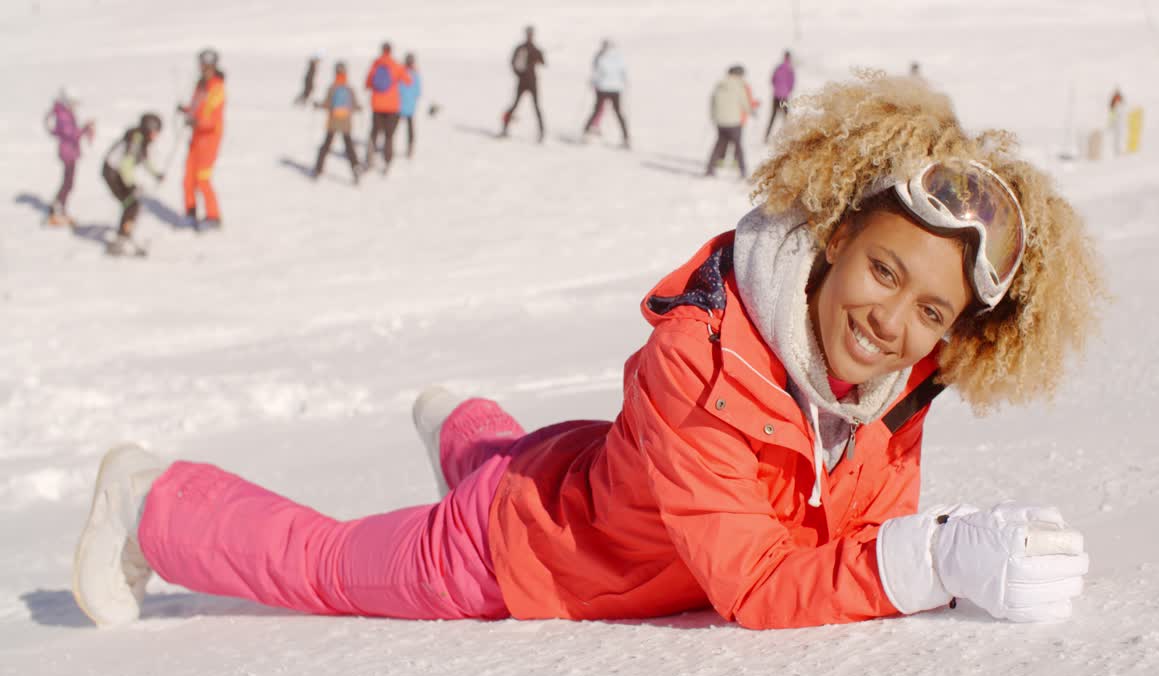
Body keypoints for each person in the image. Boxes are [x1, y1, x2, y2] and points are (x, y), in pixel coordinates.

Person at [72, 73, 1104, 631]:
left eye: (931, 311)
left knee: (521, 461)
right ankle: (149, 500)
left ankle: (464, 428)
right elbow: (756, 585)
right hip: (519, 554)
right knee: (329, 564)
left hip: (594, 475)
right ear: (834, 238)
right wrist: (933, 559)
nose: (892, 322)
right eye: (884, 270)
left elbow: (845, 535)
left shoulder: (897, 388)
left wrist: (949, 551)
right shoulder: (699, 366)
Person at [100, 113, 164, 256]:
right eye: (155, 132)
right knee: (131, 204)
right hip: (112, 173)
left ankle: (124, 235)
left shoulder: (140, 138)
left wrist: (155, 174)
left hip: (116, 172)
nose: (157, 136)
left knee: (131, 204)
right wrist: (131, 185)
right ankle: (122, 239)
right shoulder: (135, 140)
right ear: (149, 129)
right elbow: (126, 164)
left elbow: (144, 159)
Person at [178, 48, 225, 231]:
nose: (203, 69)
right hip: (197, 136)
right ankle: (190, 212)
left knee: (203, 178)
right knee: (188, 177)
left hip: (209, 138)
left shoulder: (217, 87)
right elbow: (196, 107)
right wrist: (186, 111)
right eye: (202, 65)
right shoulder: (201, 85)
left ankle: (213, 216)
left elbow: (213, 117)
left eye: (206, 66)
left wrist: (197, 121)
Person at [44, 87, 94, 226]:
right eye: (73, 103)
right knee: (68, 182)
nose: (75, 106)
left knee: (68, 182)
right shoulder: (63, 115)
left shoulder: (64, 113)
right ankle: (57, 208)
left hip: (70, 151)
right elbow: (72, 134)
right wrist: (85, 128)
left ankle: (59, 207)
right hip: (68, 152)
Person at [311, 61, 362, 184]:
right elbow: (354, 105)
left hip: (333, 121)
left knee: (326, 145)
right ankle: (355, 167)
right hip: (345, 122)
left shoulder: (332, 88)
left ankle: (318, 169)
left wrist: (318, 105)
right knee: (349, 146)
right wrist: (359, 108)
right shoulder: (349, 88)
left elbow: (327, 104)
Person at [364, 42, 410, 173]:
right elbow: (408, 81)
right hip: (392, 106)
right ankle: (388, 160)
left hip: (377, 105)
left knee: (374, 133)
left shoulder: (376, 64)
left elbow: (367, 83)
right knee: (389, 136)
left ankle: (370, 157)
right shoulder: (396, 65)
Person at [705, 65, 752, 178]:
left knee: (719, 145)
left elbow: (712, 101)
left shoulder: (720, 84)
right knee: (738, 146)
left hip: (720, 121)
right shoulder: (739, 86)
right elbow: (744, 103)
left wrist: (713, 117)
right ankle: (743, 171)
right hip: (734, 121)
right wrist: (750, 111)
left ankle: (710, 170)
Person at [500, 25, 546, 141]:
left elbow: (513, 63)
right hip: (530, 82)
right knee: (532, 106)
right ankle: (541, 132)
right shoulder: (533, 49)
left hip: (524, 82)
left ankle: (505, 128)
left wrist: (519, 74)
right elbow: (543, 62)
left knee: (518, 105)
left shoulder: (523, 48)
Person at [581, 39, 629, 147]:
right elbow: (623, 72)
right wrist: (623, 82)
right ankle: (626, 137)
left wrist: (592, 82)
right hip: (616, 88)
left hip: (603, 87)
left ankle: (586, 132)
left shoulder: (601, 57)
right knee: (618, 112)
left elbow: (597, 72)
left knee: (596, 110)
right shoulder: (619, 57)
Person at [764, 51, 794, 142]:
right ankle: (789, 137)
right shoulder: (790, 69)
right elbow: (792, 83)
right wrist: (787, 91)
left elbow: (772, 79)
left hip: (776, 96)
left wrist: (776, 89)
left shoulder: (778, 67)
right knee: (786, 117)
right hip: (784, 97)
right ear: (789, 58)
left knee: (773, 116)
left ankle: (766, 137)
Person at [399, 53, 422, 157]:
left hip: (399, 105)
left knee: (393, 128)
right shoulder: (415, 75)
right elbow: (418, 92)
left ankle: (388, 146)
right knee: (410, 128)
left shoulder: (400, 72)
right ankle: (410, 148)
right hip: (410, 106)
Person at [1108, 87, 1127, 157]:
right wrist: (1111, 123)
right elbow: (1111, 115)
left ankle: (1119, 150)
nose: (1117, 98)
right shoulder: (1114, 105)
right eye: (1116, 97)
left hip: (1120, 124)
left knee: (1120, 136)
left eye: (1118, 96)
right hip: (1116, 123)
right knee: (1116, 137)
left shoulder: (1121, 105)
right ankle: (1117, 151)